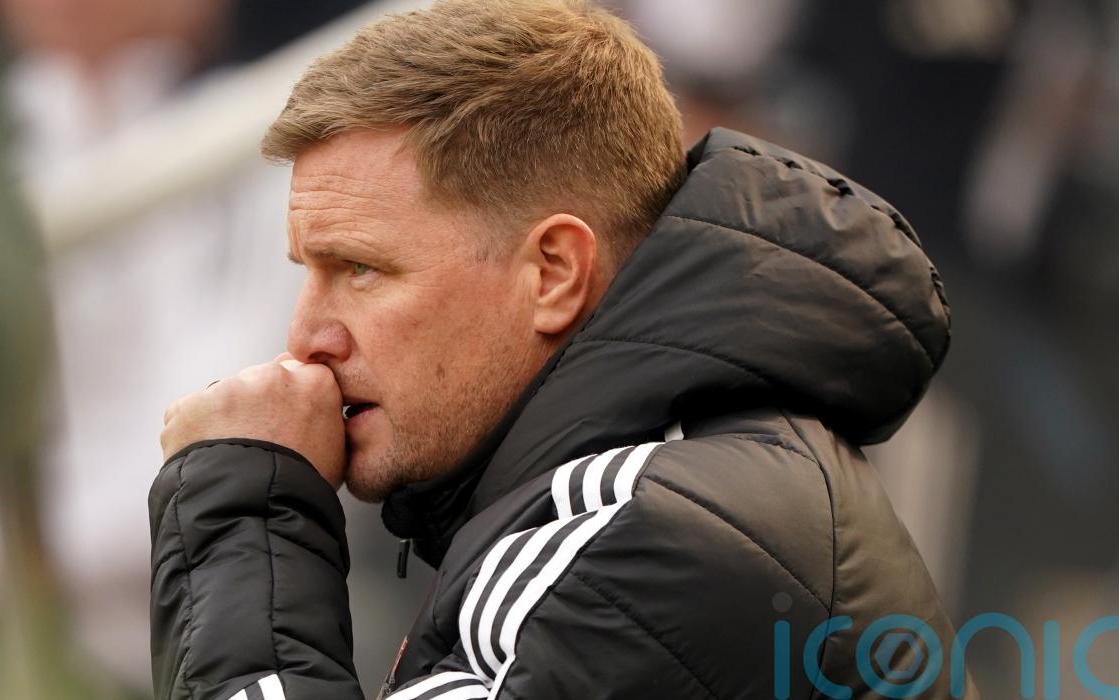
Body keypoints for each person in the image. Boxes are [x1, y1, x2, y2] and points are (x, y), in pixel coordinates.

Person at [151, 1, 976, 698]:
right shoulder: (685, 475)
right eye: (308, 272)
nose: (306, 339)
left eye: (361, 269)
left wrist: (244, 504)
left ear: (553, 273)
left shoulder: (646, 532)